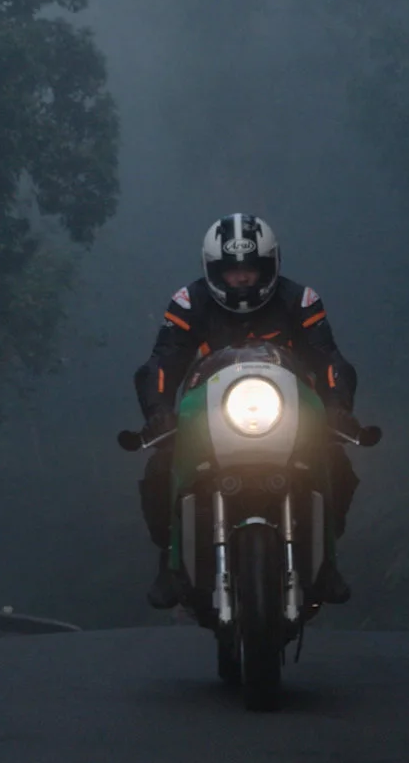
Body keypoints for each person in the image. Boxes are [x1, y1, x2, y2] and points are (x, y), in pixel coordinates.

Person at [131, 213, 360, 609]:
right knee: (159, 468)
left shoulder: (301, 301)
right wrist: (158, 411)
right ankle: (170, 562)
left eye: (251, 269)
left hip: (290, 414)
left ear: (270, 266)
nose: (241, 279)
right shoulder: (188, 302)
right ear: (212, 270)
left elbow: (329, 360)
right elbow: (161, 364)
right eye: (231, 270)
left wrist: (338, 407)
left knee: (336, 460)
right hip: (205, 415)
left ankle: (326, 562)